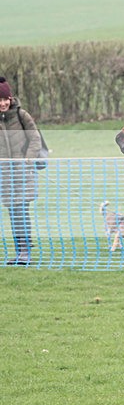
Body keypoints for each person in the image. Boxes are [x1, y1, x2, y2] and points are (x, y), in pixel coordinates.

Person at [0, 76, 42, 266]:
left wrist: (28, 159)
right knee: (13, 212)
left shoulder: (21, 115)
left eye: (5, 99)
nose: (3, 103)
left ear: (10, 98)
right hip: (4, 176)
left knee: (21, 212)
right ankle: (20, 251)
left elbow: (35, 139)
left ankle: (25, 252)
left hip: (23, 173)